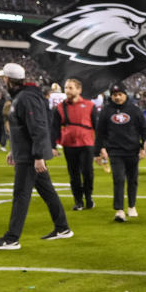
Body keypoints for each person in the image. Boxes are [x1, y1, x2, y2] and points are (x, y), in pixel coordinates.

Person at [0, 63, 72, 250]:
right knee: (47, 191)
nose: (3, 81)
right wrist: (14, 151)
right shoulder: (24, 97)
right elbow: (23, 130)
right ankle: (62, 227)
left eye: (4, 79)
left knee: (21, 195)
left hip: (31, 156)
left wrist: (39, 156)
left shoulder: (27, 98)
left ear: (8, 79)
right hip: (27, 153)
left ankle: (12, 238)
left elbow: (38, 127)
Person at [95, 82, 146, 222]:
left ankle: (131, 206)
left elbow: (144, 129)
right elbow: (100, 132)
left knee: (132, 180)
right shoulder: (106, 111)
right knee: (118, 180)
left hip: (132, 150)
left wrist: (144, 147)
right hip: (115, 151)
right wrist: (98, 151)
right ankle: (119, 210)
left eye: (120, 94)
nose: (117, 97)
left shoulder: (134, 110)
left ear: (125, 94)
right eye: (114, 95)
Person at [52, 78, 98, 210]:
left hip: (86, 143)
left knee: (88, 172)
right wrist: (52, 146)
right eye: (66, 87)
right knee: (74, 174)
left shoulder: (90, 105)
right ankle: (78, 201)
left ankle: (88, 197)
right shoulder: (60, 108)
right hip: (69, 144)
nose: (67, 90)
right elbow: (54, 128)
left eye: (70, 88)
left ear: (79, 90)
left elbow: (97, 126)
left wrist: (100, 146)